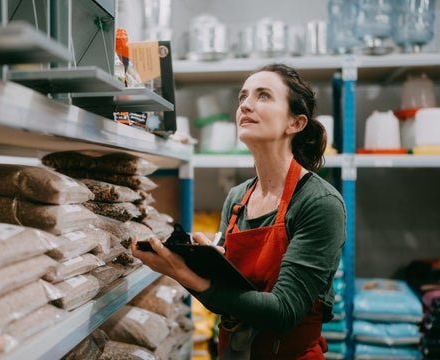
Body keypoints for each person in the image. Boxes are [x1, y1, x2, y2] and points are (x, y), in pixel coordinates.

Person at [132, 63, 346, 359]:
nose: (245, 105)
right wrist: (204, 264)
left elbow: (283, 313)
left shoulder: (319, 203)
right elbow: (226, 301)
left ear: (295, 123)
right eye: (242, 97)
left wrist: (184, 274)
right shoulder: (237, 199)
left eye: (263, 96)